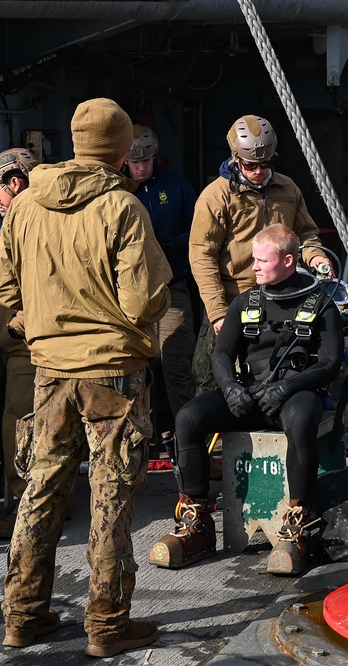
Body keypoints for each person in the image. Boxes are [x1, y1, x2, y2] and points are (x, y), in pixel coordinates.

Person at [0, 98, 172, 657]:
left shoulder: (23, 206)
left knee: (40, 490)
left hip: (49, 374)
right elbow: (144, 301)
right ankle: (107, 625)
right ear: (120, 151)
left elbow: (2, 288)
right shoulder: (123, 208)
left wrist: (39, 327)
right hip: (113, 373)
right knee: (110, 497)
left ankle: (22, 617)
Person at [150, 224, 343, 576]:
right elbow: (221, 356)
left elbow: (330, 362)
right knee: (188, 419)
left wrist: (286, 389)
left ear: (288, 260)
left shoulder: (321, 304)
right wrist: (231, 389)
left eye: (260, 261)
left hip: (296, 395)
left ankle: (298, 524)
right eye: (253, 260)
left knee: (301, 422)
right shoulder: (247, 301)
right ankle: (197, 523)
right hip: (250, 394)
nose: (252, 267)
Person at [189, 114, 333, 392]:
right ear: (235, 158)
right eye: (250, 165)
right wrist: (218, 313)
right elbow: (202, 256)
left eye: (265, 164)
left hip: (282, 300)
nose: (258, 171)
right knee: (210, 375)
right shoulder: (216, 197)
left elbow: (305, 233)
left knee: (280, 371)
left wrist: (316, 257)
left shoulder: (288, 188)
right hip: (234, 299)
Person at [0, 148, 42, 539]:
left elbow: (0, 283)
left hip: (26, 346)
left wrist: (0, 302)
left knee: (19, 426)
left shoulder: (19, 220)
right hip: (51, 345)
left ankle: (23, 512)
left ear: (15, 183)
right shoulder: (51, 216)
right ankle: (57, 503)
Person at [125, 124, 198, 438]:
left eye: (146, 161)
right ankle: (137, 440)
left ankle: (189, 440)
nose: (140, 168)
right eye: (134, 162)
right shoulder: (114, 191)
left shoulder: (176, 187)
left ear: (156, 158)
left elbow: (200, 230)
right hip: (127, 295)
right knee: (129, 372)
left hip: (171, 290)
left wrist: (178, 243)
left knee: (178, 367)